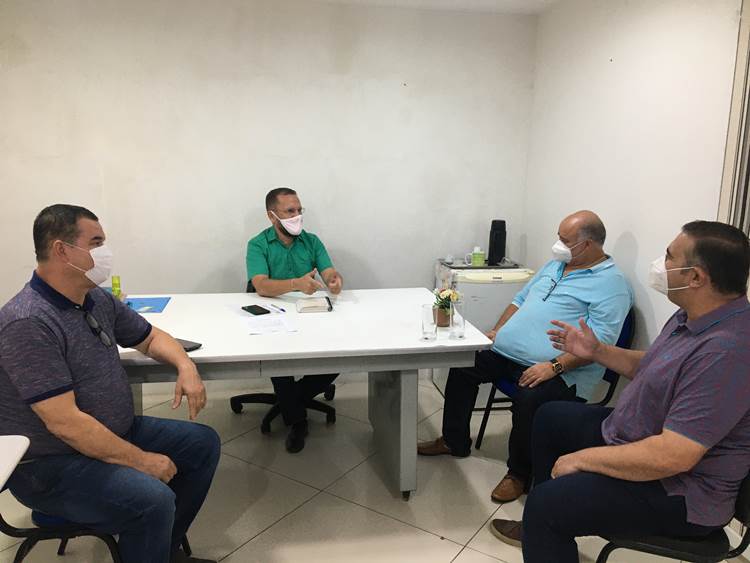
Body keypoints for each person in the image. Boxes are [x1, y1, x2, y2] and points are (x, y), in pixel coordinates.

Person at [490, 221, 750, 563]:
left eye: (669, 257)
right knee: (551, 417)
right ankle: (542, 531)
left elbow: (674, 456)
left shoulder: (727, 351)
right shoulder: (692, 316)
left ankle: (545, 521)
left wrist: (581, 459)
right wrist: (596, 351)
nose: (660, 264)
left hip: (681, 491)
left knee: (546, 505)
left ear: (695, 277)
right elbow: (653, 366)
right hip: (639, 434)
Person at [0, 204, 220, 563]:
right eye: (96, 242)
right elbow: (65, 423)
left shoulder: (94, 299)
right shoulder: (27, 322)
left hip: (112, 432)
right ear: (62, 250)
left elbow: (150, 337)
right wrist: (142, 461)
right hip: (51, 464)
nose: (106, 253)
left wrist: (185, 365)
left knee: (202, 444)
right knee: (153, 500)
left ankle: (161, 552)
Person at [418, 210, 632, 503]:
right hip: (506, 352)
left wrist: (554, 366)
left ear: (588, 245)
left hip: (561, 371)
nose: (558, 245)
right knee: (463, 363)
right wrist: (497, 331)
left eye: (565, 240)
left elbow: (599, 345)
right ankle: (454, 441)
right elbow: (519, 300)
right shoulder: (556, 265)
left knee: (530, 397)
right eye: (559, 237)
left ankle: (519, 474)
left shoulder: (612, 285)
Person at [246, 187, 343, 453]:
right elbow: (261, 285)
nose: (297, 216)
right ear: (272, 216)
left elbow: (329, 272)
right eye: (290, 211)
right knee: (278, 358)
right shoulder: (257, 244)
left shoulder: (312, 241)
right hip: (274, 315)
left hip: (308, 314)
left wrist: (334, 280)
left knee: (340, 353)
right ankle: (297, 420)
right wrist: (295, 284)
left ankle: (291, 400)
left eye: (299, 210)